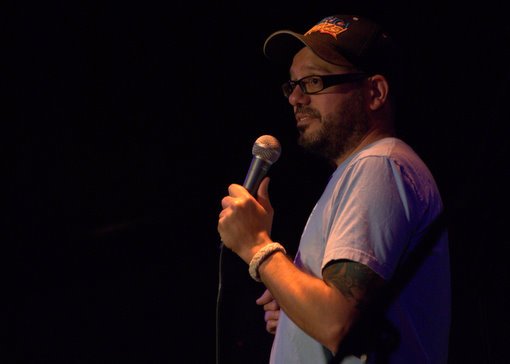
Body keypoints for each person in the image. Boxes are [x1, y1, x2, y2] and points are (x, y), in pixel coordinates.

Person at [217, 14, 451, 364]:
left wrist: (257, 247)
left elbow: (337, 322)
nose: (295, 98)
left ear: (375, 92)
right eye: (292, 85)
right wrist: (297, 317)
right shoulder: (359, 172)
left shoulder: (380, 165)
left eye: (313, 82)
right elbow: (343, 320)